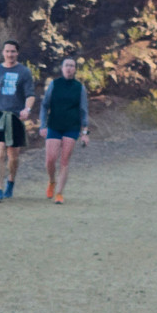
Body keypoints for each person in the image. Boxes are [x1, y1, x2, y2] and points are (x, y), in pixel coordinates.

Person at [0, 40, 36, 203]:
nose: (10, 54)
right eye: (7, 51)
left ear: (17, 53)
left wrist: (27, 109)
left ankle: (10, 181)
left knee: (13, 156)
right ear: (3, 53)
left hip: (16, 117)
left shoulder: (24, 72)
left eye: (13, 51)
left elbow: (30, 95)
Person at [38, 56, 90, 204]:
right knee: (50, 160)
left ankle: (59, 193)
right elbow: (44, 106)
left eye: (72, 66)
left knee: (64, 161)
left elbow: (84, 110)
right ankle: (52, 181)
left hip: (71, 127)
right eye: (66, 65)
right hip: (54, 126)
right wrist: (43, 125)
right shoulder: (54, 85)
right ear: (62, 68)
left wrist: (85, 132)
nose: (69, 68)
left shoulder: (80, 88)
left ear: (75, 69)